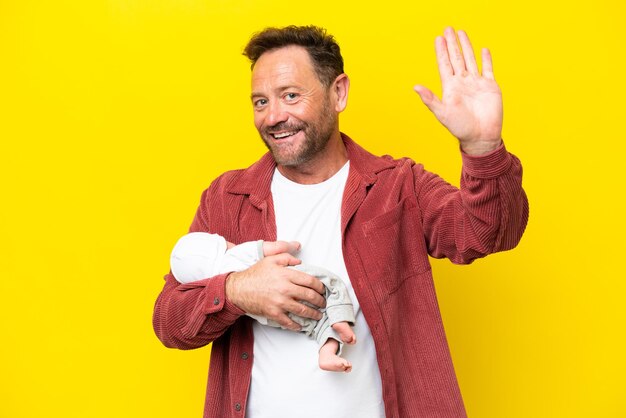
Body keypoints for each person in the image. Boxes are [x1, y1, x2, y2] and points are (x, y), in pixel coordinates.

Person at [153, 25, 529, 418]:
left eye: (291, 96)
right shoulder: (228, 198)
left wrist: (483, 149)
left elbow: (489, 232)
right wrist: (236, 290)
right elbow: (169, 320)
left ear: (338, 93)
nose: (274, 116)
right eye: (260, 102)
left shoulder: (398, 186)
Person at [169, 232, 357, 372]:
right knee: (332, 285)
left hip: (274, 319)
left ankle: (326, 352)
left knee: (315, 327)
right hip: (297, 282)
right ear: (219, 245)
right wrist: (292, 246)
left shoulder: (214, 282)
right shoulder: (237, 253)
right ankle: (340, 320)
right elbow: (275, 248)